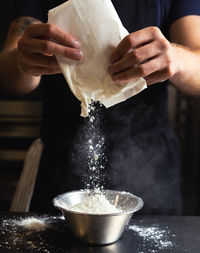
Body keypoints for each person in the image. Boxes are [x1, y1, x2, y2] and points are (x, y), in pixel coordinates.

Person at [1, 0, 200, 214]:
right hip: (60, 169)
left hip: (153, 170)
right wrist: (23, 62)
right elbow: (10, 78)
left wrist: (176, 57)